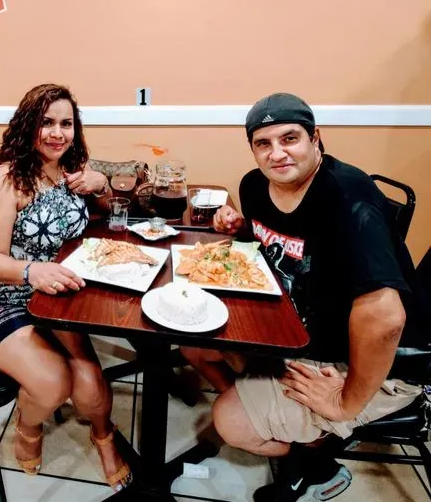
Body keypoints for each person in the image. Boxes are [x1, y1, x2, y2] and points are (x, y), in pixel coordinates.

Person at [180, 92, 428, 502]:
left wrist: (344, 402)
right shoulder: (255, 185)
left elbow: (385, 319)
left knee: (229, 421)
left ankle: (315, 460)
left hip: (373, 362)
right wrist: (241, 228)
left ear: (315, 138)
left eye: (290, 138)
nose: (277, 153)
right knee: (193, 344)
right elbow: (280, 245)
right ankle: (272, 409)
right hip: (292, 330)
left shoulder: (350, 199)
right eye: (263, 143)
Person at [0, 83, 132, 492]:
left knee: (89, 387)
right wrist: (32, 271)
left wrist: (99, 184)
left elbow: (103, 211)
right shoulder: (6, 179)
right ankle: (28, 425)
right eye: (47, 123)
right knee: (53, 383)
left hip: (54, 291)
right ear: (27, 125)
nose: (57, 133)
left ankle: (103, 435)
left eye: (66, 124)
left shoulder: (71, 166)